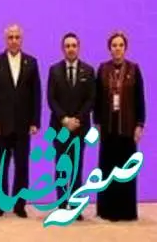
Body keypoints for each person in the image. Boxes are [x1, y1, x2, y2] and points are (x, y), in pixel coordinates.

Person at [0, 24, 41, 218]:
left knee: (22, 166)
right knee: (1, 166)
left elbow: (36, 94)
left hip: (23, 125)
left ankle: (20, 205)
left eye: (17, 37)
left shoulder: (31, 62)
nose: (14, 40)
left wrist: (35, 121)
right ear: (5, 39)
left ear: (21, 39)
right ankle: (0, 204)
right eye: (11, 37)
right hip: (1, 125)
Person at [95, 31, 145, 222]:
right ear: (109, 48)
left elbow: (140, 99)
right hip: (108, 128)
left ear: (125, 48)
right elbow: (97, 100)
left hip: (127, 128)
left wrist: (139, 125)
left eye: (120, 45)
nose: (117, 48)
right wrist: (97, 123)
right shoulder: (103, 69)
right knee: (108, 169)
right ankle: (107, 211)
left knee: (126, 170)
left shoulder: (134, 69)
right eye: (114, 45)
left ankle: (126, 211)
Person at [47, 32, 95, 221]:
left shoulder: (88, 71)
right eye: (67, 46)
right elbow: (51, 99)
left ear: (79, 47)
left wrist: (76, 120)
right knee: (61, 167)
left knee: (76, 167)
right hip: (60, 128)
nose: (71, 49)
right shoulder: (54, 70)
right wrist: (65, 119)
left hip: (80, 128)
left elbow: (91, 99)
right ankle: (61, 204)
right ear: (63, 49)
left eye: (74, 45)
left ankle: (75, 206)